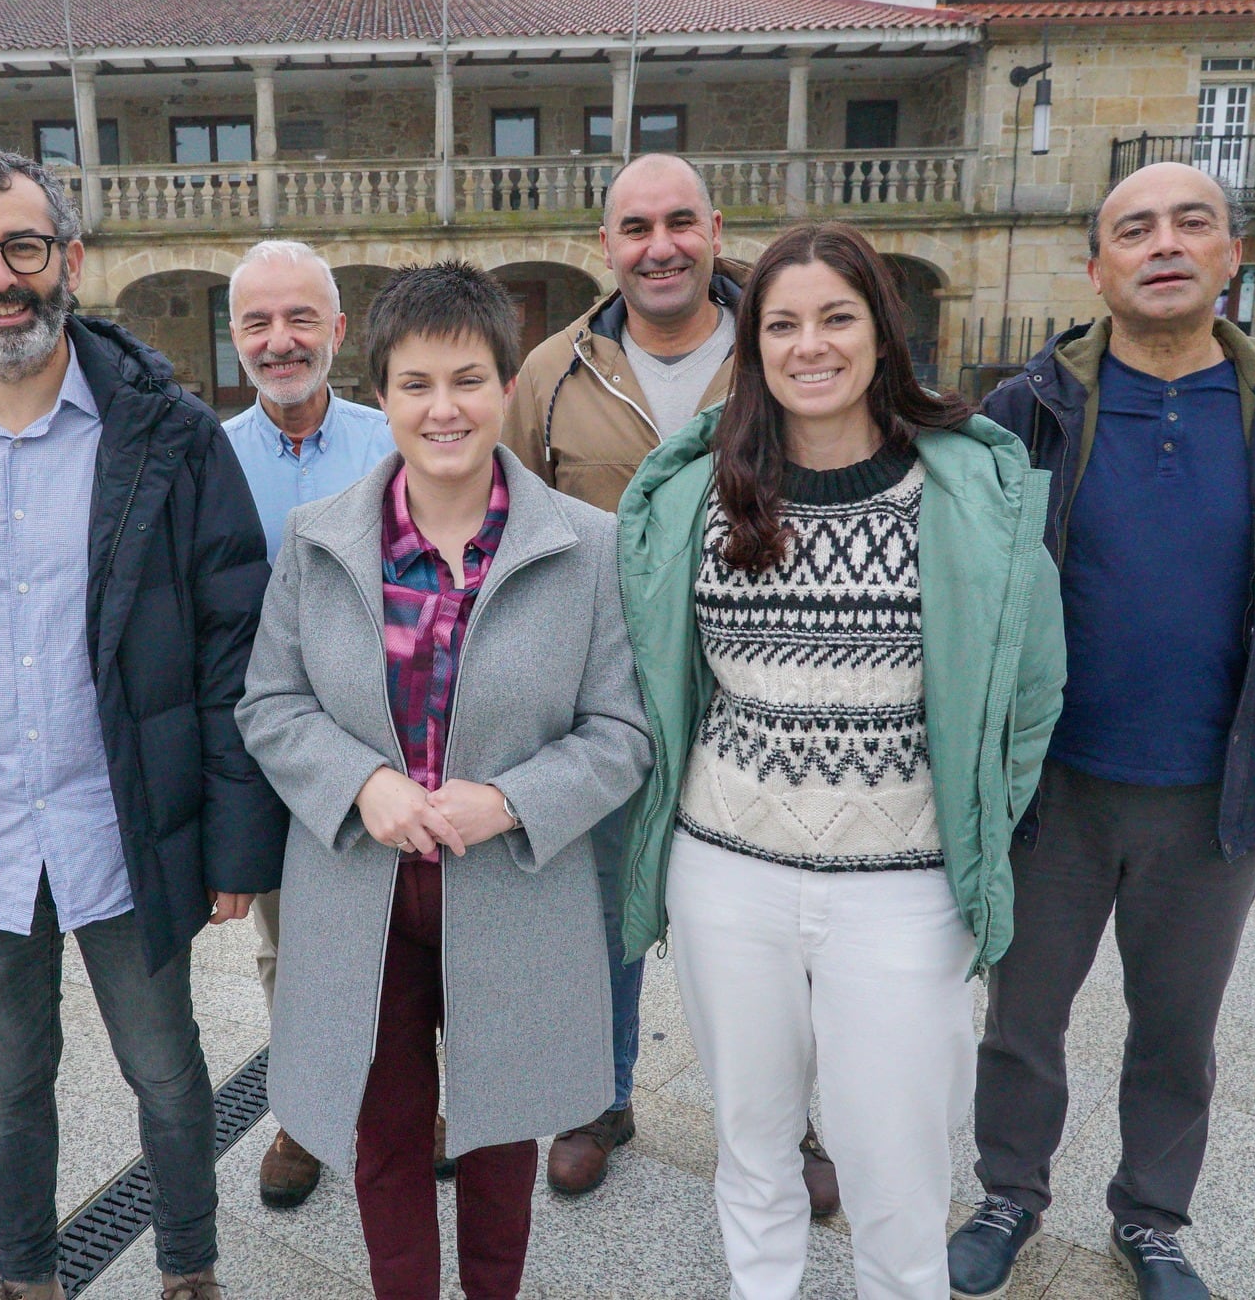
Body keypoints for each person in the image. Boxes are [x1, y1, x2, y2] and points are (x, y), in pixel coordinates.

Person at [0, 150, 286, 1300]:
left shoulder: (169, 436)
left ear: (68, 259)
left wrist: (234, 842)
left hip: (122, 824)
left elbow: (236, 643)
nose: (0, 279)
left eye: (22, 247)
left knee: (171, 1075)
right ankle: (26, 1277)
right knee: (6, 1086)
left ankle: (188, 1270)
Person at [615, 222, 1065, 1300]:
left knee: (894, 1171)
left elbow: (1031, 692)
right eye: (781, 323)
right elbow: (657, 676)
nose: (808, 345)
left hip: (903, 889)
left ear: (879, 330)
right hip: (727, 873)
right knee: (753, 1145)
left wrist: (962, 821)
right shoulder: (695, 492)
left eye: (835, 317)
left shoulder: (964, 491)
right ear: (751, 341)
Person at [951, 162, 1255, 1300]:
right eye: (1133, 229)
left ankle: (1150, 1219)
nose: (1164, 243)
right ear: (1095, 269)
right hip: (1052, 787)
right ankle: (1007, 1193)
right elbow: (966, 592)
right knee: (1020, 1017)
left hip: (1212, 788)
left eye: (1192, 223)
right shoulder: (1023, 410)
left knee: (1174, 1031)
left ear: (1232, 255)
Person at [237, 261, 652, 1300]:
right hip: (361, 888)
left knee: (499, 1132)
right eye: (415, 384)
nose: (442, 408)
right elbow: (270, 705)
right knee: (384, 1132)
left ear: (505, 385)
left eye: (466, 380)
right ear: (380, 397)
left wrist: (510, 800)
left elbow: (620, 734)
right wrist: (362, 782)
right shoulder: (318, 541)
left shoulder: (587, 549)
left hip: (507, 879)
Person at [505, 151, 839, 1209]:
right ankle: (596, 1097)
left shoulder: (786, 354)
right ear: (602, 246)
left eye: (678, 222)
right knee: (601, 912)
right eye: (634, 227)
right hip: (604, 702)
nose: (658, 246)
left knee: (781, 923)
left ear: (713, 229)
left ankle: (796, 1121)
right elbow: (507, 525)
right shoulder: (548, 373)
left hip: (766, 697)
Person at [217, 239, 401, 1209]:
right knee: (291, 950)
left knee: (411, 939)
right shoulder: (207, 457)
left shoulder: (395, 439)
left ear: (336, 330)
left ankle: (416, 1097)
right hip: (275, 754)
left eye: (300, 320)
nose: (279, 341)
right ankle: (303, 1109)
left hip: (397, 744)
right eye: (257, 322)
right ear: (234, 336)